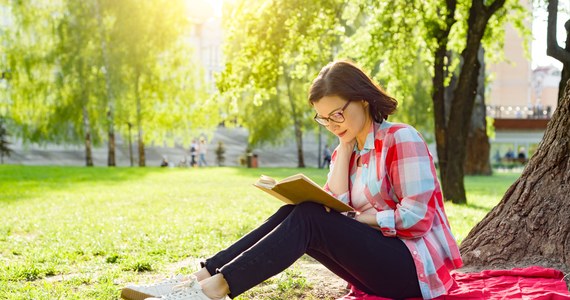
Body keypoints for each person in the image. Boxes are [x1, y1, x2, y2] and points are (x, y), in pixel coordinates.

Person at [121, 60, 462, 300]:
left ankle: (215, 290)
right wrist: (344, 148)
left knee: (311, 216)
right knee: (302, 210)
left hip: (414, 271)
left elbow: (417, 220)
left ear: (362, 98)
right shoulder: (346, 150)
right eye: (324, 119)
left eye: (338, 114)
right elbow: (335, 206)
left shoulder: (401, 138)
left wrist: (361, 219)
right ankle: (200, 279)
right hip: (375, 269)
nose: (332, 124)